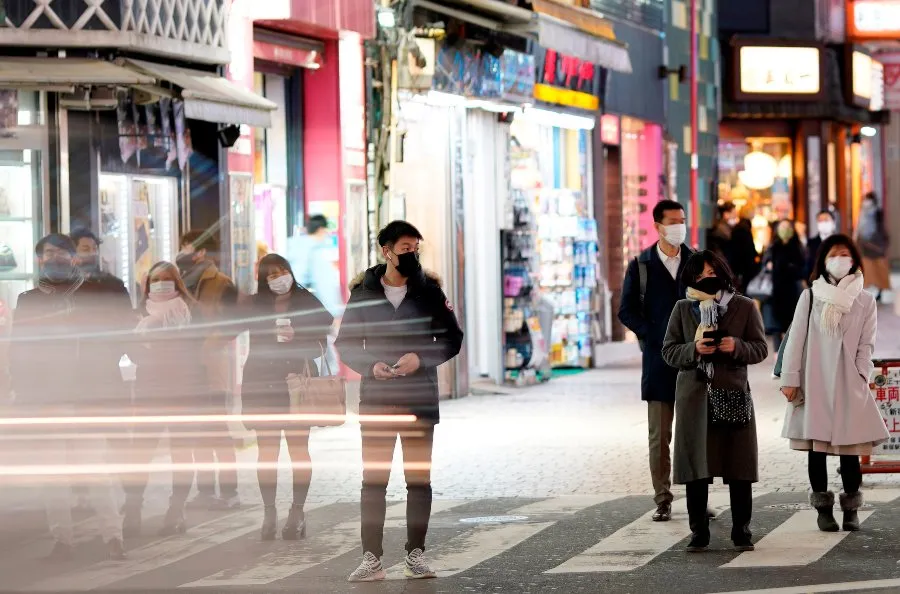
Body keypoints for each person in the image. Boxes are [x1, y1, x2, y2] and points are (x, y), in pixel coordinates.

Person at [337, 221, 463, 582]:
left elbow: (452, 339)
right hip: (377, 400)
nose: (412, 254)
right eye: (405, 248)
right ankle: (371, 559)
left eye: (415, 248)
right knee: (373, 482)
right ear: (386, 251)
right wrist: (370, 366)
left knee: (418, 481)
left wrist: (420, 358)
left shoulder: (430, 293)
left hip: (418, 400)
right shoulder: (363, 294)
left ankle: (416, 555)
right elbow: (346, 344)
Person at [10, 234, 127, 560]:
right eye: (49, 253)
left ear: (73, 257)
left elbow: (111, 341)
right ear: (39, 259)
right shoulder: (29, 300)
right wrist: (25, 392)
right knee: (54, 474)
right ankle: (63, 539)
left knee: (96, 469)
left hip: (87, 397)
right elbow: (20, 350)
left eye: (62, 252)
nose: (55, 258)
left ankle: (113, 537)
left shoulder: (92, 295)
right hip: (47, 398)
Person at [780, 234, 888, 532]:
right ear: (824, 260)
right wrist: (790, 380)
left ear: (854, 260)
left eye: (845, 253)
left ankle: (851, 509)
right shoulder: (811, 296)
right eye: (834, 253)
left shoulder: (865, 300)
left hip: (848, 382)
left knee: (851, 451)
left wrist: (862, 375)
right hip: (815, 380)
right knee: (817, 449)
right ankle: (823, 510)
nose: (840, 258)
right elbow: (796, 340)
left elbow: (867, 344)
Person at [662, 251, 768, 552]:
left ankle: (742, 530)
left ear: (723, 272)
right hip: (694, 397)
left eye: (711, 271)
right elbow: (668, 352)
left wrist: (737, 346)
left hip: (732, 393)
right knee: (697, 468)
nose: (706, 278)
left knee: (738, 466)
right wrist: (694, 349)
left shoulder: (744, 307)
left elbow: (760, 349)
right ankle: (699, 532)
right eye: (699, 275)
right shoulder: (683, 308)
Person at [241, 254, 332, 540]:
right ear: (264, 280)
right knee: (266, 452)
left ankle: (297, 511)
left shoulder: (307, 301)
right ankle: (269, 512)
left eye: (282, 272)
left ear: (290, 272)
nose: (279, 279)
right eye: (271, 275)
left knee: (297, 449)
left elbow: (320, 348)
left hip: (296, 385)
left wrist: (299, 336)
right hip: (262, 382)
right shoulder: (255, 305)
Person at [618, 200, 693, 522]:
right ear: (659, 226)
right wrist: (652, 335)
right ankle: (662, 497)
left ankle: (697, 496)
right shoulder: (642, 265)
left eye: (683, 220)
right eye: (673, 221)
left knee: (694, 435)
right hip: (658, 362)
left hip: (694, 359)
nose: (680, 226)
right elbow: (626, 310)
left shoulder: (696, 262)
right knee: (659, 436)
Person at [122, 262, 206, 537]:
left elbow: (200, 345)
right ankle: (133, 508)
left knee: (182, 455)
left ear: (177, 281)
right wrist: (149, 354)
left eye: (167, 279)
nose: (161, 284)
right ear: (148, 284)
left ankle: (176, 511)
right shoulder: (140, 313)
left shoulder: (191, 310)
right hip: (151, 390)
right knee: (138, 453)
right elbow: (131, 348)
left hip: (185, 391)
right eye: (156, 279)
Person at [176, 230, 240, 510]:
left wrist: (206, 346)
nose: (182, 251)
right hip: (187, 368)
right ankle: (204, 490)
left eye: (186, 246)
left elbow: (232, 326)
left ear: (200, 252)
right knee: (197, 432)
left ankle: (228, 491)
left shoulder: (222, 284)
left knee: (218, 432)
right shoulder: (178, 282)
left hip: (212, 368)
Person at [762, 220, 806, 352]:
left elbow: (802, 268)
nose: (785, 230)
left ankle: (790, 352)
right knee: (776, 325)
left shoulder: (798, 247)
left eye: (787, 227)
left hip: (793, 291)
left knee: (792, 323)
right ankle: (777, 353)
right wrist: (769, 265)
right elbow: (765, 264)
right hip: (775, 291)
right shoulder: (773, 247)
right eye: (782, 227)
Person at [856, 193, 891, 301]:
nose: (866, 202)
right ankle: (867, 292)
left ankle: (879, 291)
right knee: (867, 270)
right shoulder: (863, 212)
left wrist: (882, 243)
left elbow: (881, 228)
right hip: (867, 247)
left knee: (879, 270)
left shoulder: (877, 212)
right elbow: (859, 228)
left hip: (876, 245)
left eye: (868, 199)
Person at [806, 211, 837, 279]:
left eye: (826, 220)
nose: (823, 223)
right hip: (816, 282)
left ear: (833, 223)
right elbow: (808, 266)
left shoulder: (840, 242)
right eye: (820, 221)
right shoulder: (810, 243)